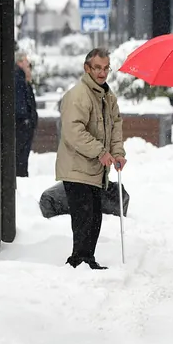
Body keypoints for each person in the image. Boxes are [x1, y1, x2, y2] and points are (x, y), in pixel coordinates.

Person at [55, 48, 126, 270]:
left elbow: (115, 127)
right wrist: (100, 151)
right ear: (87, 68)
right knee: (84, 217)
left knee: (95, 217)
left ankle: (87, 260)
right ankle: (79, 260)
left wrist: (118, 153)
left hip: (95, 169)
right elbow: (73, 131)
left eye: (106, 68)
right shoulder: (79, 95)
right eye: (97, 68)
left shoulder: (108, 97)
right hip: (77, 167)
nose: (102, 73)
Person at [15, 52, 39, 177]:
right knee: (21, 158)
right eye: (26, 62)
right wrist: (26, 120)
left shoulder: (22, 78)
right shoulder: (18, 78)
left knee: (21, 158)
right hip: (22, 125)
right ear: (19, 62)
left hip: (24, 124)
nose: (28, 65)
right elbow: (21, 104)